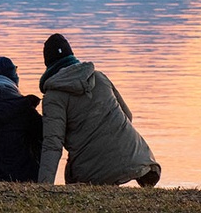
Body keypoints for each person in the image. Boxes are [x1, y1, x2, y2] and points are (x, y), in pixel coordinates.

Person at [37, 33, 161, 186]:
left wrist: (44, 185)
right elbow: (127, 115)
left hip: (91, 170)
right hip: (137, 156)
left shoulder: (53, 97)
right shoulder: (99, 78)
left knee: (75, 172)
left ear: (48, 64)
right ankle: (135, 170)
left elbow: (53, 144)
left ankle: (106, 171)